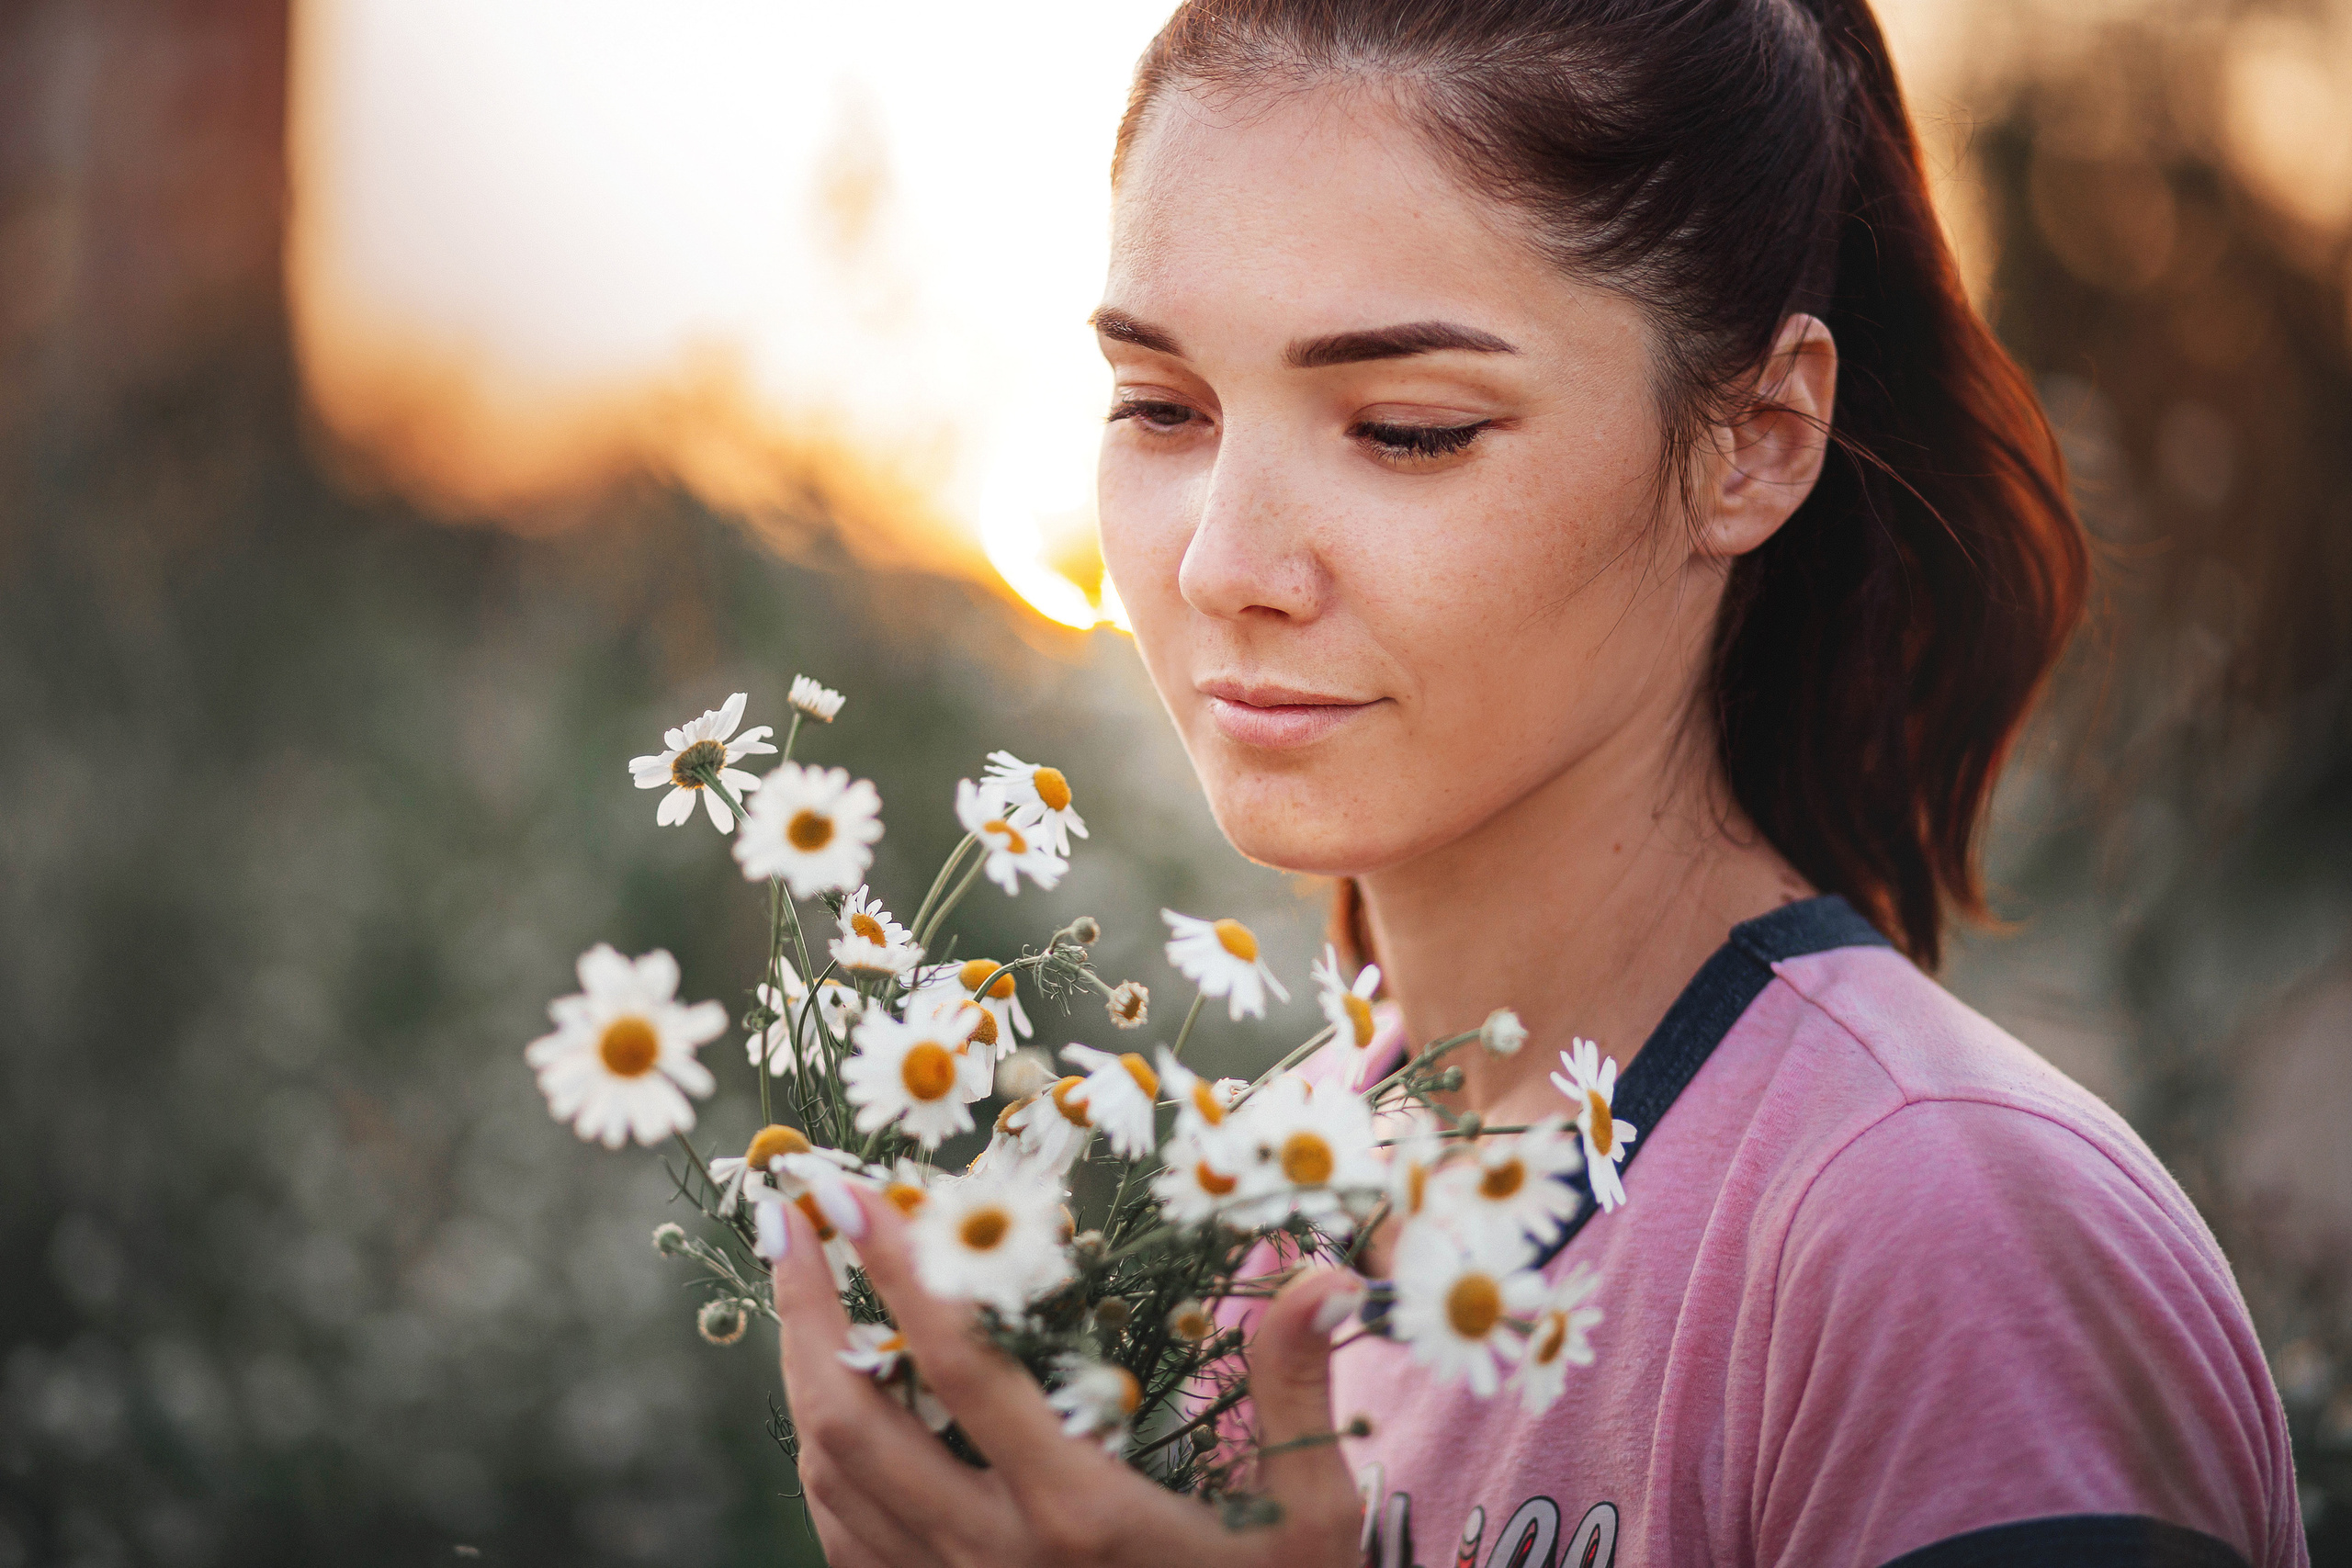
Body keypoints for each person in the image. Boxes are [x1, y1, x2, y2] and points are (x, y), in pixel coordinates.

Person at [764, 0, 2308, 1562]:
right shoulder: (1236, 1229)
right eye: (1162, 407)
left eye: (1407, 431)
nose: (1225, 561)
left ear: (1755, 443)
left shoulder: (1942, 1233)